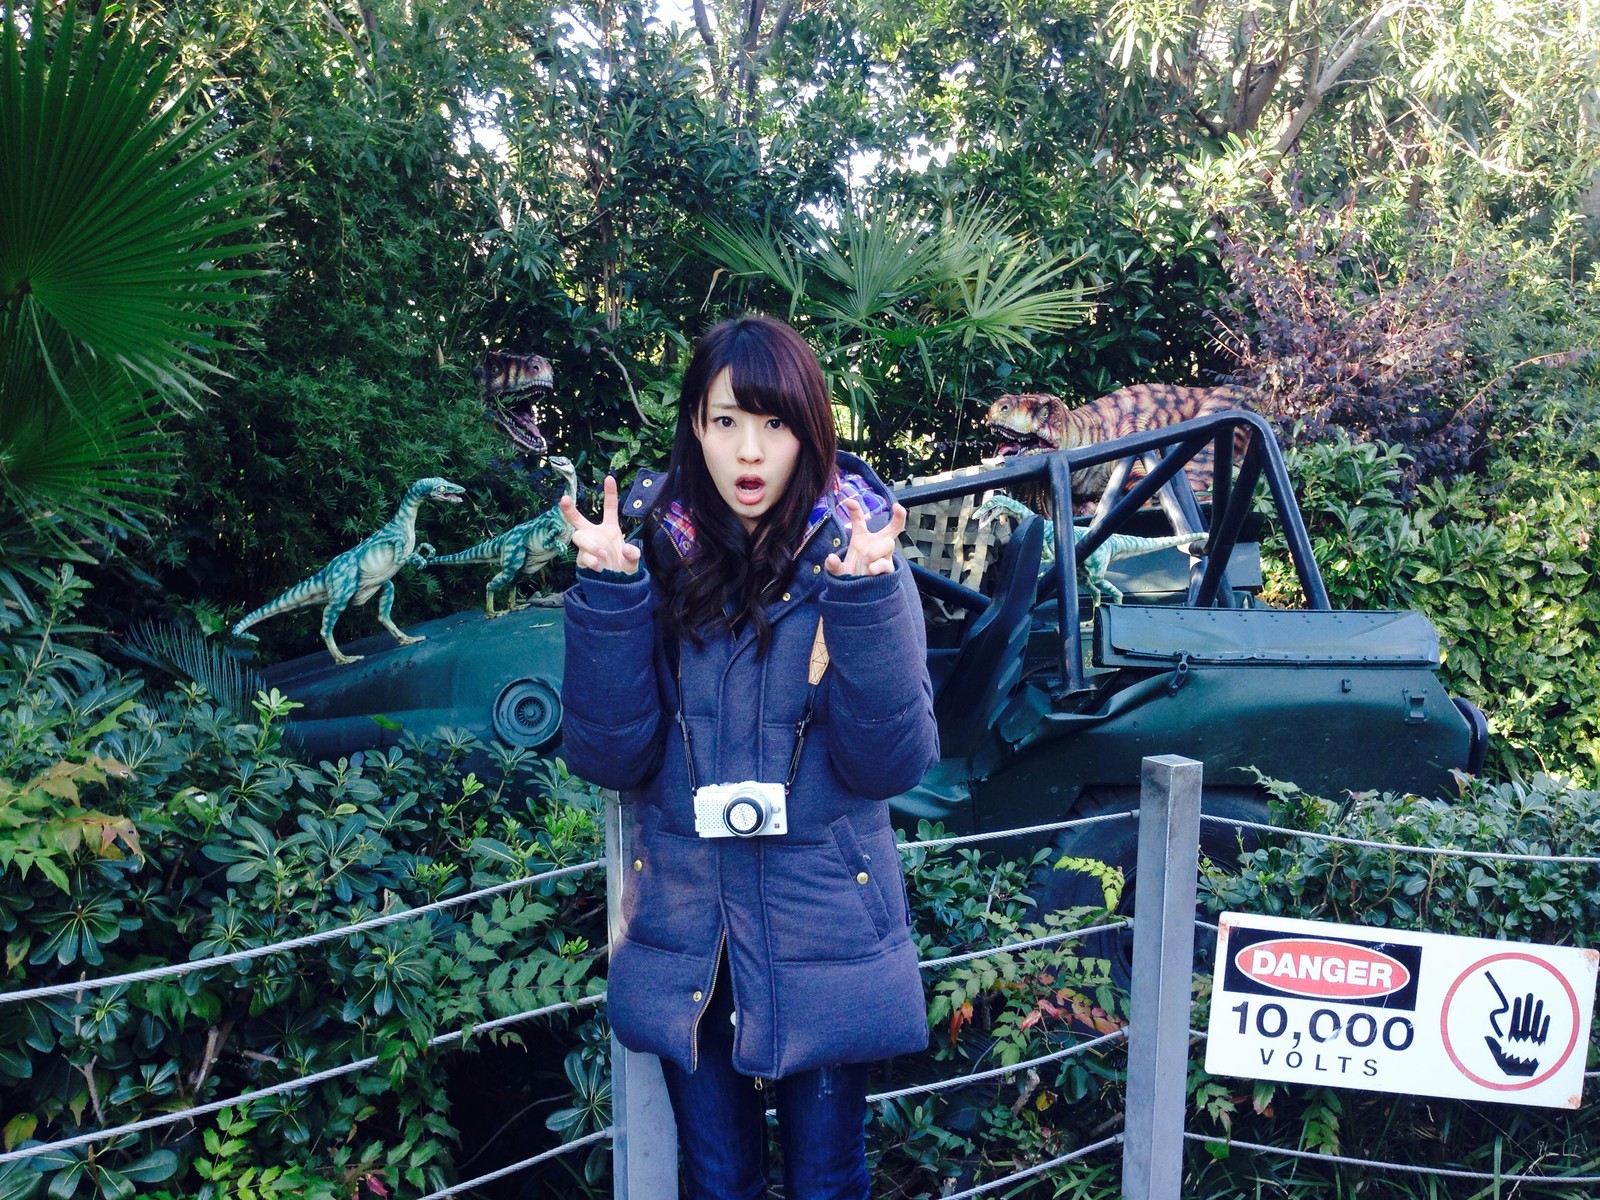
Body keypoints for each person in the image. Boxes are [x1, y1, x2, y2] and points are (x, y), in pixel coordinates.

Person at [559, 315, 939, 1199]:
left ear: (810, 429)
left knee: (827, 1179)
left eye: (774, 422)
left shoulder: (859, 551)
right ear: (695, 425)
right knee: (718, 1180)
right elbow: (612, 756)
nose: (750, 451)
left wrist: (864, 602)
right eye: (726, 420)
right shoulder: (653, 554)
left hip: (822, 928)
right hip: (690, 930)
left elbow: (890, 765)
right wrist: (611, 597)